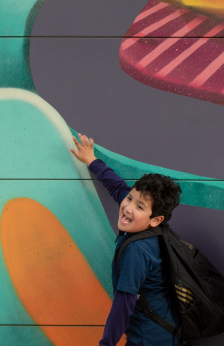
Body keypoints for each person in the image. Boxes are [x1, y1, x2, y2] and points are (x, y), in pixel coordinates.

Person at [70, 133, 182, 346]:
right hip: (166, 334)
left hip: (146, 339)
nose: (128, 207)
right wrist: (91, 161)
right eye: (130, 198)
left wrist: (107, 344)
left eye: (139, 207)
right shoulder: (155, 232)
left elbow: (124, 304)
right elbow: (117, 187)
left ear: (155, 219)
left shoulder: (137, 250)